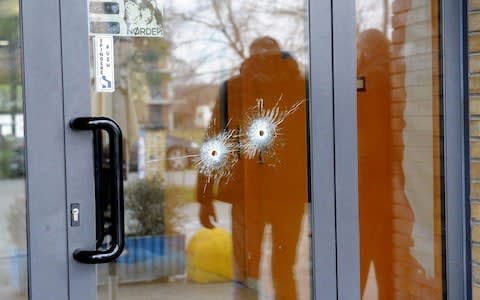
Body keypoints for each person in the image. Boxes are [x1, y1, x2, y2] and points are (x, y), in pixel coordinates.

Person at [196, 36, 308, 300]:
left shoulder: (235, 87)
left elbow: (214, 142)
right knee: (284, 269)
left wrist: (204, 197)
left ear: (249, 56)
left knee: (247, 271)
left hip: (248, 192)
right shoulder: (300, 87)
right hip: (289, 192)